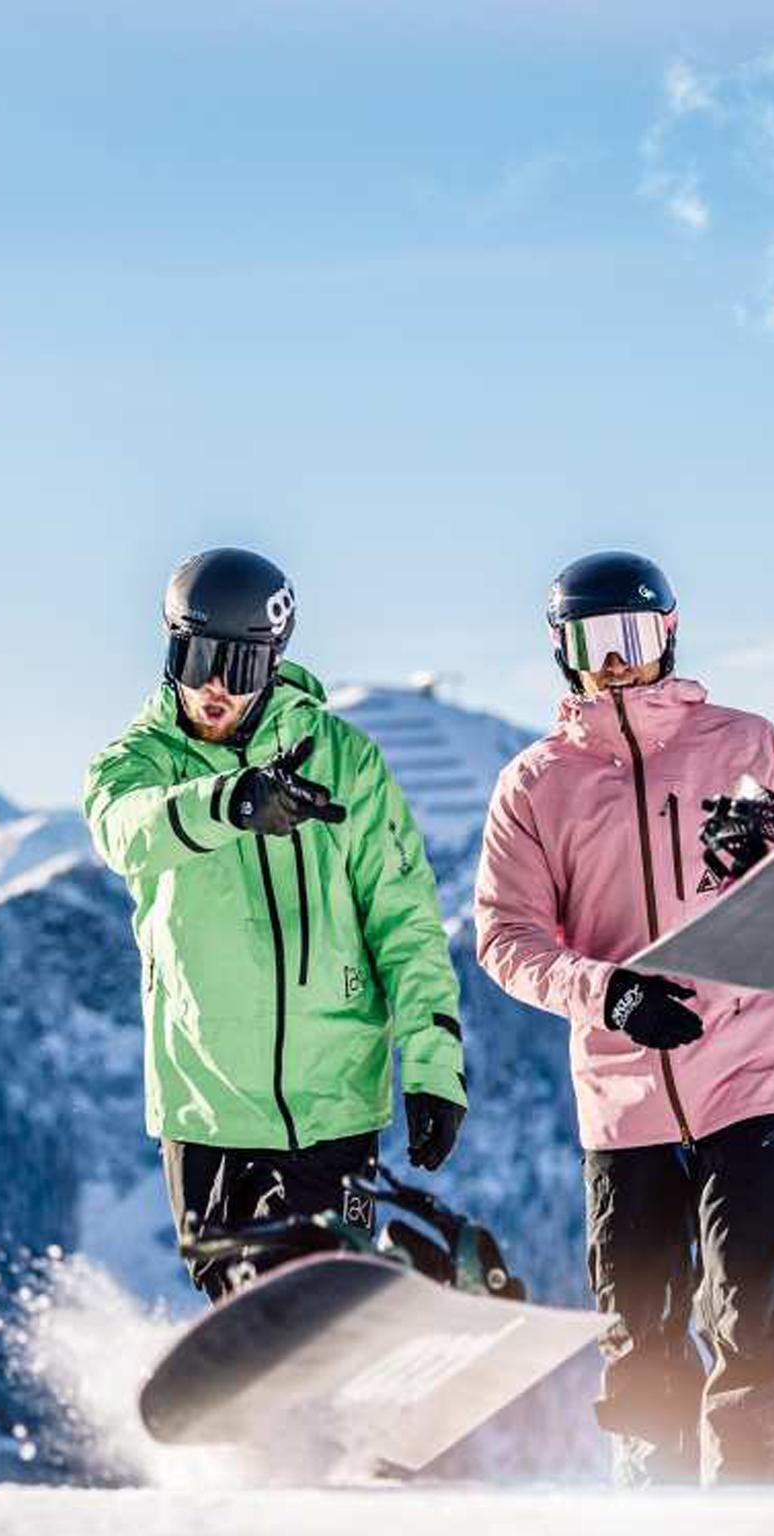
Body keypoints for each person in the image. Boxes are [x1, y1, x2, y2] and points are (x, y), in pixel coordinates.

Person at [473, 550, 774, 1487]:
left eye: (632, 635)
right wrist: (610, 994)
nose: (615, 661)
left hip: (754, 1071)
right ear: (562, 651)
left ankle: (757, 1507)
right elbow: (507, 940)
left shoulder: (746, 744)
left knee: (755, 1323)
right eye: (593, 642)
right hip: (622, 1095)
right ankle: (654, 1502)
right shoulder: (536, 783)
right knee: (640, 1333)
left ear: (668, 635)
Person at [84, 548, 467, 1300]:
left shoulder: (344, 760)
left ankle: (400, 1307)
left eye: (240, 665)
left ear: (274, 662)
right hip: (207, 1106)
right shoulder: (138, 761)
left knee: (319, 1290)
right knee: (243, 1300)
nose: (215, 686)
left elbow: (406, 922)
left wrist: (432, 1065)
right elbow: (126, 832)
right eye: (196, 658)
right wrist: (230, 803)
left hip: (334, 1100)